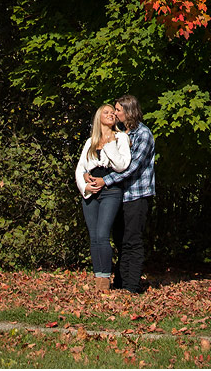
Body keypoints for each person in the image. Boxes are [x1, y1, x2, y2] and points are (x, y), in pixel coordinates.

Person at [85, 93, 155, 294]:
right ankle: (120, 282)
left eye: (117, 110)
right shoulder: (123, 134)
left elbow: (130, 168)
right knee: (120, 240)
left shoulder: (143, 135)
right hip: (121, 195)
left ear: (128, 111)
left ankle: (132, 285)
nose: (115, 113)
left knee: (132, 239)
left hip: (137, 195)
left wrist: (105, 181)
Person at [75, 103, 131, 292]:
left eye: (112, 113)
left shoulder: (121, 138)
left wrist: (110, 145)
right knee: (94, 238)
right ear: (99, 117)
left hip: (110, 191)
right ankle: (98, 279)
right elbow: (80, 168)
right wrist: (85, 183)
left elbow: (122, 165)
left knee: (102, 235)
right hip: (91, 192)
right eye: (106, 112)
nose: (111, 115)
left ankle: (105, 281)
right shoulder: (90, 141)